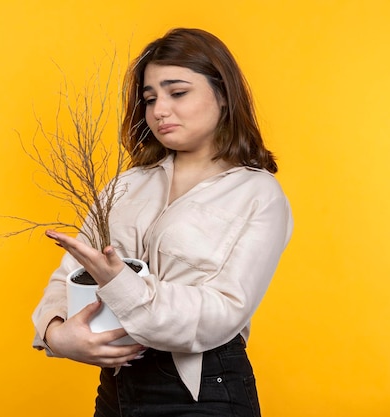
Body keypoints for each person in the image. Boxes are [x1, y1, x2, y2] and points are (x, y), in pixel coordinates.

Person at [31, 28, 293, 417]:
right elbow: (70, 275)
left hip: (203, 389)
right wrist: (56, 333)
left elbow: (223, 310)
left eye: (178, 92)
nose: (159, 110)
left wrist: (123, 286)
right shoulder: (125, 184)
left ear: (223, 94)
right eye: (150, 98)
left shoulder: (258, 194)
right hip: (118, 388)